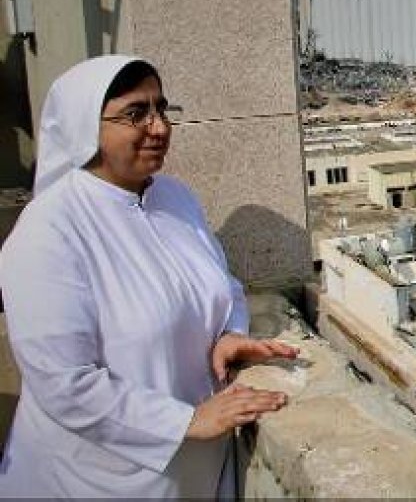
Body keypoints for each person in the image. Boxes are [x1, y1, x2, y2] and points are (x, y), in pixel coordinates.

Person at [0, 55, 297, 497]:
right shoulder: (49, 230)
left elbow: (221, 285)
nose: (159, 127)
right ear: (86, 127)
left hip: (196, 472)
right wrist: (185, 421)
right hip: (95, 482)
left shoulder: (176, 198)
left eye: (161, 108)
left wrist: (228, 334)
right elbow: (64, 383)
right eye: (136, 113)